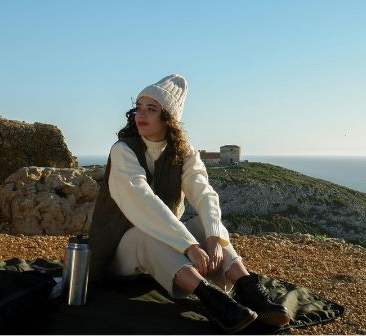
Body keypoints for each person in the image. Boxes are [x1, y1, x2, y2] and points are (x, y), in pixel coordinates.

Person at [88, 74, 290, 334]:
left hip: (163, 250)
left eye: (151, 109)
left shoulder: (184, 153)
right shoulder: (123, 150)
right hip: (115, 253)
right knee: (145, 235)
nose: (141, 114)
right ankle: (213, 300)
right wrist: (189, 246)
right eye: (139, 107)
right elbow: (143, 202)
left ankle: (250, 291)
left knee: (206, 228)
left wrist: (214, 237)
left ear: (168, 118)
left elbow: (204, 193)